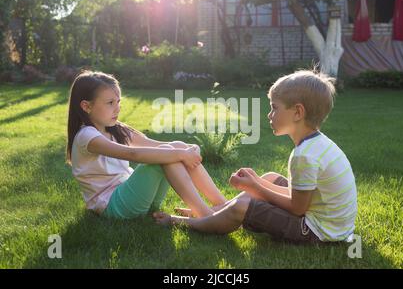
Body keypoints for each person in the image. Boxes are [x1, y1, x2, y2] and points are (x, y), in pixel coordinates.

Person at [154, 70, 358, 244]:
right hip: (325, 219)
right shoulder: (317, 144)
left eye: (274, 108)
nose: (269, 115)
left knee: (243, 207)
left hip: (318, 232)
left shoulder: (304, 156)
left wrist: (255, 186)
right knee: (268, 177)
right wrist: (258, 182)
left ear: (298, 112)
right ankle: (211, 213)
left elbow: (297, 208)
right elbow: (301, 198)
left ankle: (185, 222)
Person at [66, 70, 227, 220]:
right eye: (110, 103)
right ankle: (206, 216)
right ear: (86, 106)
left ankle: (222, 205)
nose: (117, 108)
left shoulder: (116, 128)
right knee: (167, 155)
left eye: (118, 101)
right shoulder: (87, 136)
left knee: (174, 147)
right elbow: (132, 154)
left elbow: (152, 144)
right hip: (113, 206)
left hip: (138, 199)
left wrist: (185, 148)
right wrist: (181, 154)